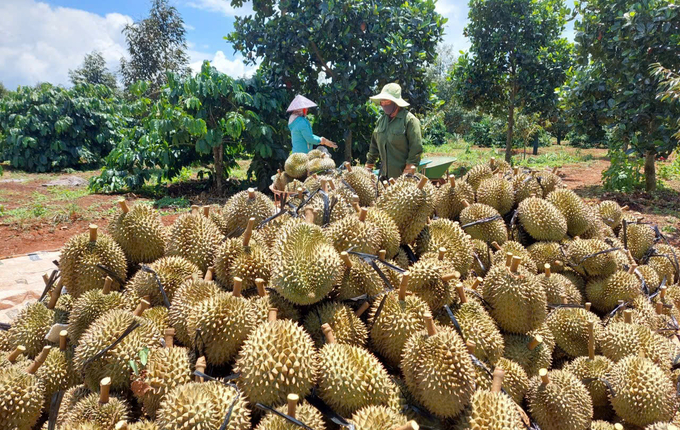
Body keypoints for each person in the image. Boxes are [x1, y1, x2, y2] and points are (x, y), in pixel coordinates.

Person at [365, 83, 423, 179]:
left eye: (386, 102)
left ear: (395, 102)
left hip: (402, 176)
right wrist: (369, 165)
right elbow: (374, 146)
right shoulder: (381, 121)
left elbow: (416, 148)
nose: (383, 104)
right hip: (384, 175)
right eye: (382, 102)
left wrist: (409, 169)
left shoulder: (409, 120)